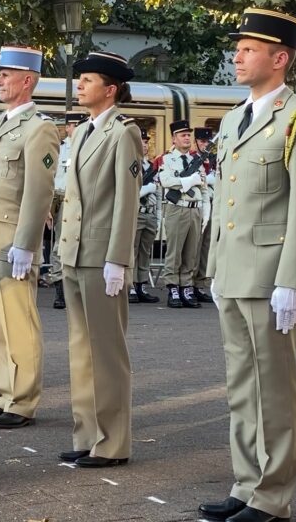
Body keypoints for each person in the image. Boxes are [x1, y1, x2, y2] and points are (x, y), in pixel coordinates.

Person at [200, 8, 296, 522]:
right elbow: (225, 200)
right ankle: (246, 483)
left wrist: (293, 281)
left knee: (273, 389)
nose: (237, 55)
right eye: (238, 48)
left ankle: (272, 495)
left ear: (280, 59)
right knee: (241, 385)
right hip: (234, 270)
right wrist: (214, 266)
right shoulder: (237, 116)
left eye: (250, 49)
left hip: (269, 274)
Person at [0, 46, 59, 430]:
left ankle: (23, 401)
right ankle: (4, 393)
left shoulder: (40, 127)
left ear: (27, 81)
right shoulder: (5, 122)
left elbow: (39, 191)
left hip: (12, 240)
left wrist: (27, 243)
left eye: (6, 75)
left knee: (18, 322)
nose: (0, 81)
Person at [58, 51, 142, 468]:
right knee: (81, 349)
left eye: (87, 80)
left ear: (110, 89)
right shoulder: (83, 133)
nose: (80, 86)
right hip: (75, 251)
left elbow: (125, 202)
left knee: (106, 352)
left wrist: (118, 259)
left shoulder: (123, 133)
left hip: (100, 254)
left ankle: (112, 442)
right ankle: (87, 432)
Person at [158, 120, 207, 308]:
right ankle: (173, 287)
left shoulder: (197, 160)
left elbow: (202, 187)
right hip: (177, 207)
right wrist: (187, 181)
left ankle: (187, 286)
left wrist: (204, 210)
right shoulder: (167, 159)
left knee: (191, 252)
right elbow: (166, 181)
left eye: (188, 135)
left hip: (194, 208)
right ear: (174, 139)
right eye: (182, 135)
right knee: (175, 251)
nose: (187, 138)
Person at [47, 111, 85, 307]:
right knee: (61, 245)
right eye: (74, 126)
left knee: (81, 245)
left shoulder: (89, 147)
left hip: (84, 202)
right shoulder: (59, 150)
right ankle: (60, 288)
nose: (76, 129)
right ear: (68, 128)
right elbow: (47, 175)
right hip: (63, 200)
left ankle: (76, 287)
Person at [128, 128, 161, 304]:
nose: (145, 144)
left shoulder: (150, 166)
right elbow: (129, 192)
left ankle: (141, 284)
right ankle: (130, 286)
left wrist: (158, 216)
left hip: (149, 215)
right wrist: (146, 189)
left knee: (145, 252)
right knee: (132, 251)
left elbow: (158, 193)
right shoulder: (131, 165)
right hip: (136, 214)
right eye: (142, 141)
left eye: (147, 142)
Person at [190, 127, 216, 303]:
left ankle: (199, 283)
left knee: (206, 247)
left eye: (207, 142)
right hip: (198, 205)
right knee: (195, 246)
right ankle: (189, 284)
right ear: (196, 142)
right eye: (202, 141)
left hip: (212, 205)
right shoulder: (192, 159)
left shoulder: (212, 160)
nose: (205, 144)